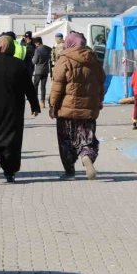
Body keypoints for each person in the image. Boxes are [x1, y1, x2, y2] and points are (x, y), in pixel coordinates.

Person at [0, 35, 40, 183]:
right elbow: (29, 87)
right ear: (12, 48)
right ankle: (9, 172)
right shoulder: (19, 65)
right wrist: (34, 105)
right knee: (12, 140)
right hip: (13, 109)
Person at [49, 32, 105, 180]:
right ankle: (86, 155)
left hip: (66, 111)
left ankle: (69, 172)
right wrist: (99, 100)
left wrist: (53, 105)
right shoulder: (93, 59)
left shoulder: (65, 59)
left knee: (66, 140)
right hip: (88, 110)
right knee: (87, 138)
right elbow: (101, 82)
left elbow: (57, 86)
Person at [32, 37, 52, 108]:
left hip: (38, 71)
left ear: (37, 42)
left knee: (35, 86)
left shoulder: (37, 50)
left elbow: (34, 61)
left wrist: (32, 59)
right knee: (43, 87)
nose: (35, 44)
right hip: (45, 70)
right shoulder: (48, 48)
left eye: (35, 43)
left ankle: (35, 102)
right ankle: (42, 102)